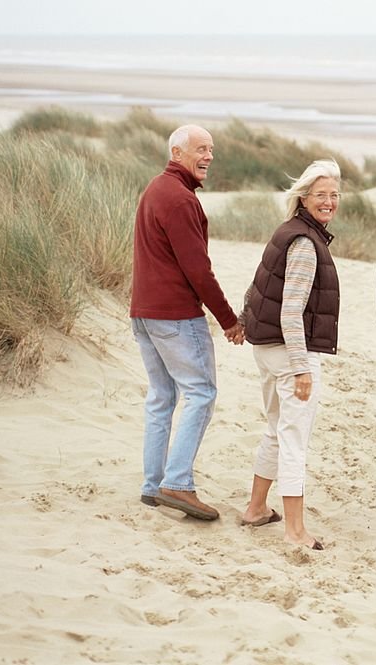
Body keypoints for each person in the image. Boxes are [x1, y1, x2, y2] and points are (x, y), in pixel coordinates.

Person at [131, 124, 244, 521]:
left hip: (144, 312)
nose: (209, 156)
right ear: (176, 153)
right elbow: (198, 270)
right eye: (201, 149)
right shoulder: (179, 199)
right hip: (175, 316)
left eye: (211, 149)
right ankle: (177, 483)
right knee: (201, 393)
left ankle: (152, 486)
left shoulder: (156, 189)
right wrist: (229, 320)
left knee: (162, 398)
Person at [240, 160, 342, 551]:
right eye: (321, 195)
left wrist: (241, 319)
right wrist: (301, 368)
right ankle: (295, 532)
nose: (329, 202)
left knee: (275, 430)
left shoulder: (288, 231)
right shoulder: (304, 243)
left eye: (334, 195)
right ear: (303, 197)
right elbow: (290, 310)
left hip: (266, 349)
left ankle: (255, 508)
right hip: (289, 354)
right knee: (294, 439)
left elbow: (258, 284)